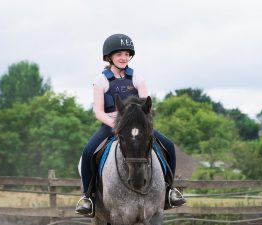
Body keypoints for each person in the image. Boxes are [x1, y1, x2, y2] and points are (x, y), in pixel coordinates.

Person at [75, 34, 185, 216]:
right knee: (88, 152)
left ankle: (170, 190)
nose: (124, 58)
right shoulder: (101, 80)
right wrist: (118, 125)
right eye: (119, 54)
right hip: (112, 126)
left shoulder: (137, 78)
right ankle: (88, 197)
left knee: (169, 146)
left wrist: (142, 123)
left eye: (127, 54)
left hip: (139, 127)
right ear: (109, 57)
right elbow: (98, 111)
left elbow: (146, 105)